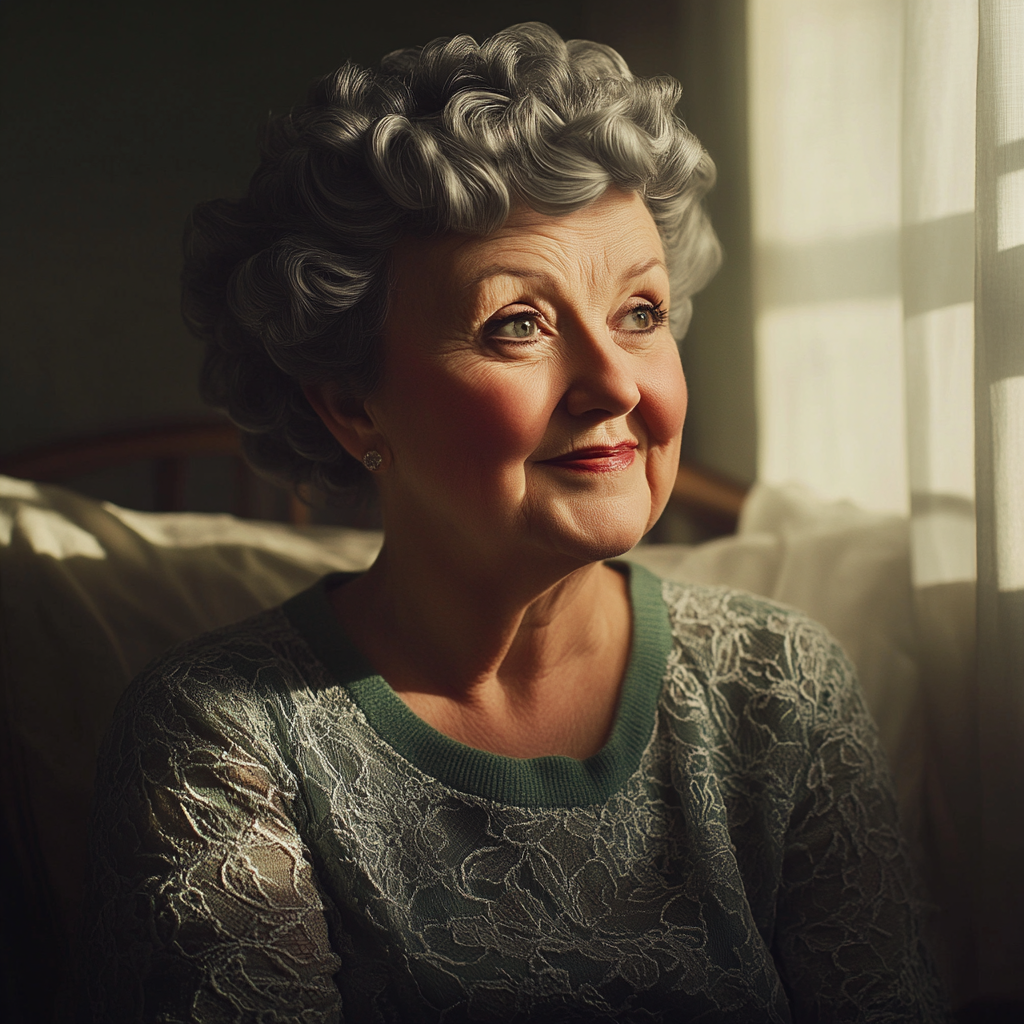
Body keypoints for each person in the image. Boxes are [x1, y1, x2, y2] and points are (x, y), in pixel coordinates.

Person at [80, 22, 946, 1023]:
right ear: (350, 404)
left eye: (640, 313)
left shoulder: (785, 687)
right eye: (518, 325)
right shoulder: (218, 736)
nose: (615, 382)